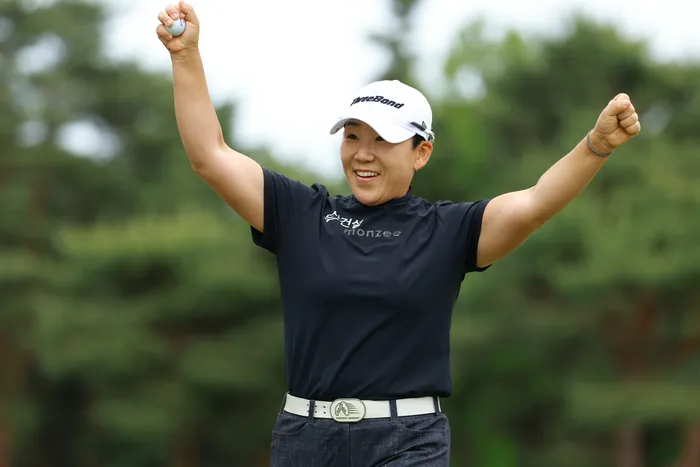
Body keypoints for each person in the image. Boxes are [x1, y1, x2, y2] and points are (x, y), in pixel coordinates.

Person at [156, 2, 642, 466]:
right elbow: (210, 156)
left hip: (407, 441)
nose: (362, 154)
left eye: (383, 140)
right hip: (305, 439)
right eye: (352, 136)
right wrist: (185, 55)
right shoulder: (301, 214)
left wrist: (595, 146)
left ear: (421, 152)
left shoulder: (448, 231)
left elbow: (534, 204)